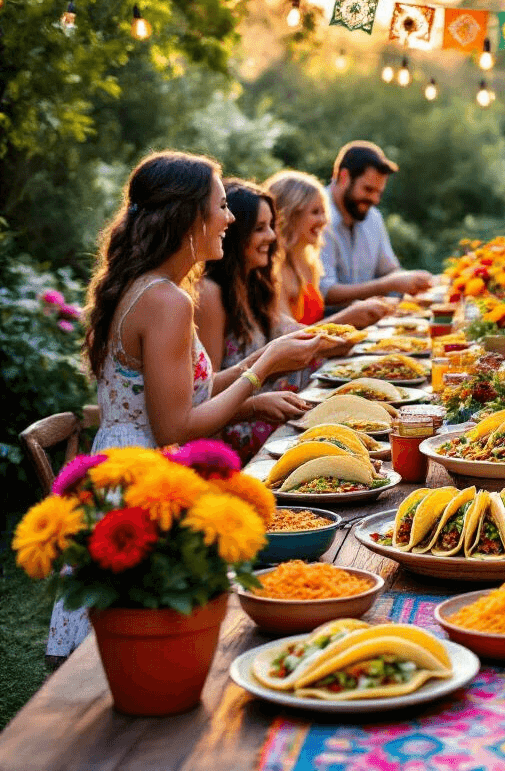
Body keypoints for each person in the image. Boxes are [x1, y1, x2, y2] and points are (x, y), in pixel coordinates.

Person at [49, 152, 320, 660]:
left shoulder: (151, 288)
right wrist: (263, 370)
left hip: (124, 465)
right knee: (144, 646)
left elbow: (189, 390)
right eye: (221, 206)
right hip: (143, 483)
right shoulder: (167, 301)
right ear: (188, 217)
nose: (230, 218)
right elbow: (175, 426)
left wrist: (263, 363)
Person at [196, 180, 388, 461]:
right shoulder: (210, 293)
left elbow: (299, 338)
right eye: (260, 228)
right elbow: (204, 394)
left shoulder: (255, 284)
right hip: (236, 441)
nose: (272, 236)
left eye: (272, 226)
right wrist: (254, 405)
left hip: (276, 420)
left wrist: (353, 330)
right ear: (236, 231)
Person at [319, 140, 433, 306]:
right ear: (344, 177)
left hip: (371, 317)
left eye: (379, 193)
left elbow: (389, 271)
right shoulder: (316, 215)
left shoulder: (372, 217)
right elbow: (324, 292)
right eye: (368, 189)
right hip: (328, 319)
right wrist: (388, 285)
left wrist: (414, 280)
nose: (375, 199)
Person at [264, 169, 334, 325]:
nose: (323, 220)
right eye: (315, 212)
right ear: (290, 216)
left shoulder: (310, 263)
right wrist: (348, 317)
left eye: (324, 212)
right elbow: (287, 334)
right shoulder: (273, 269)